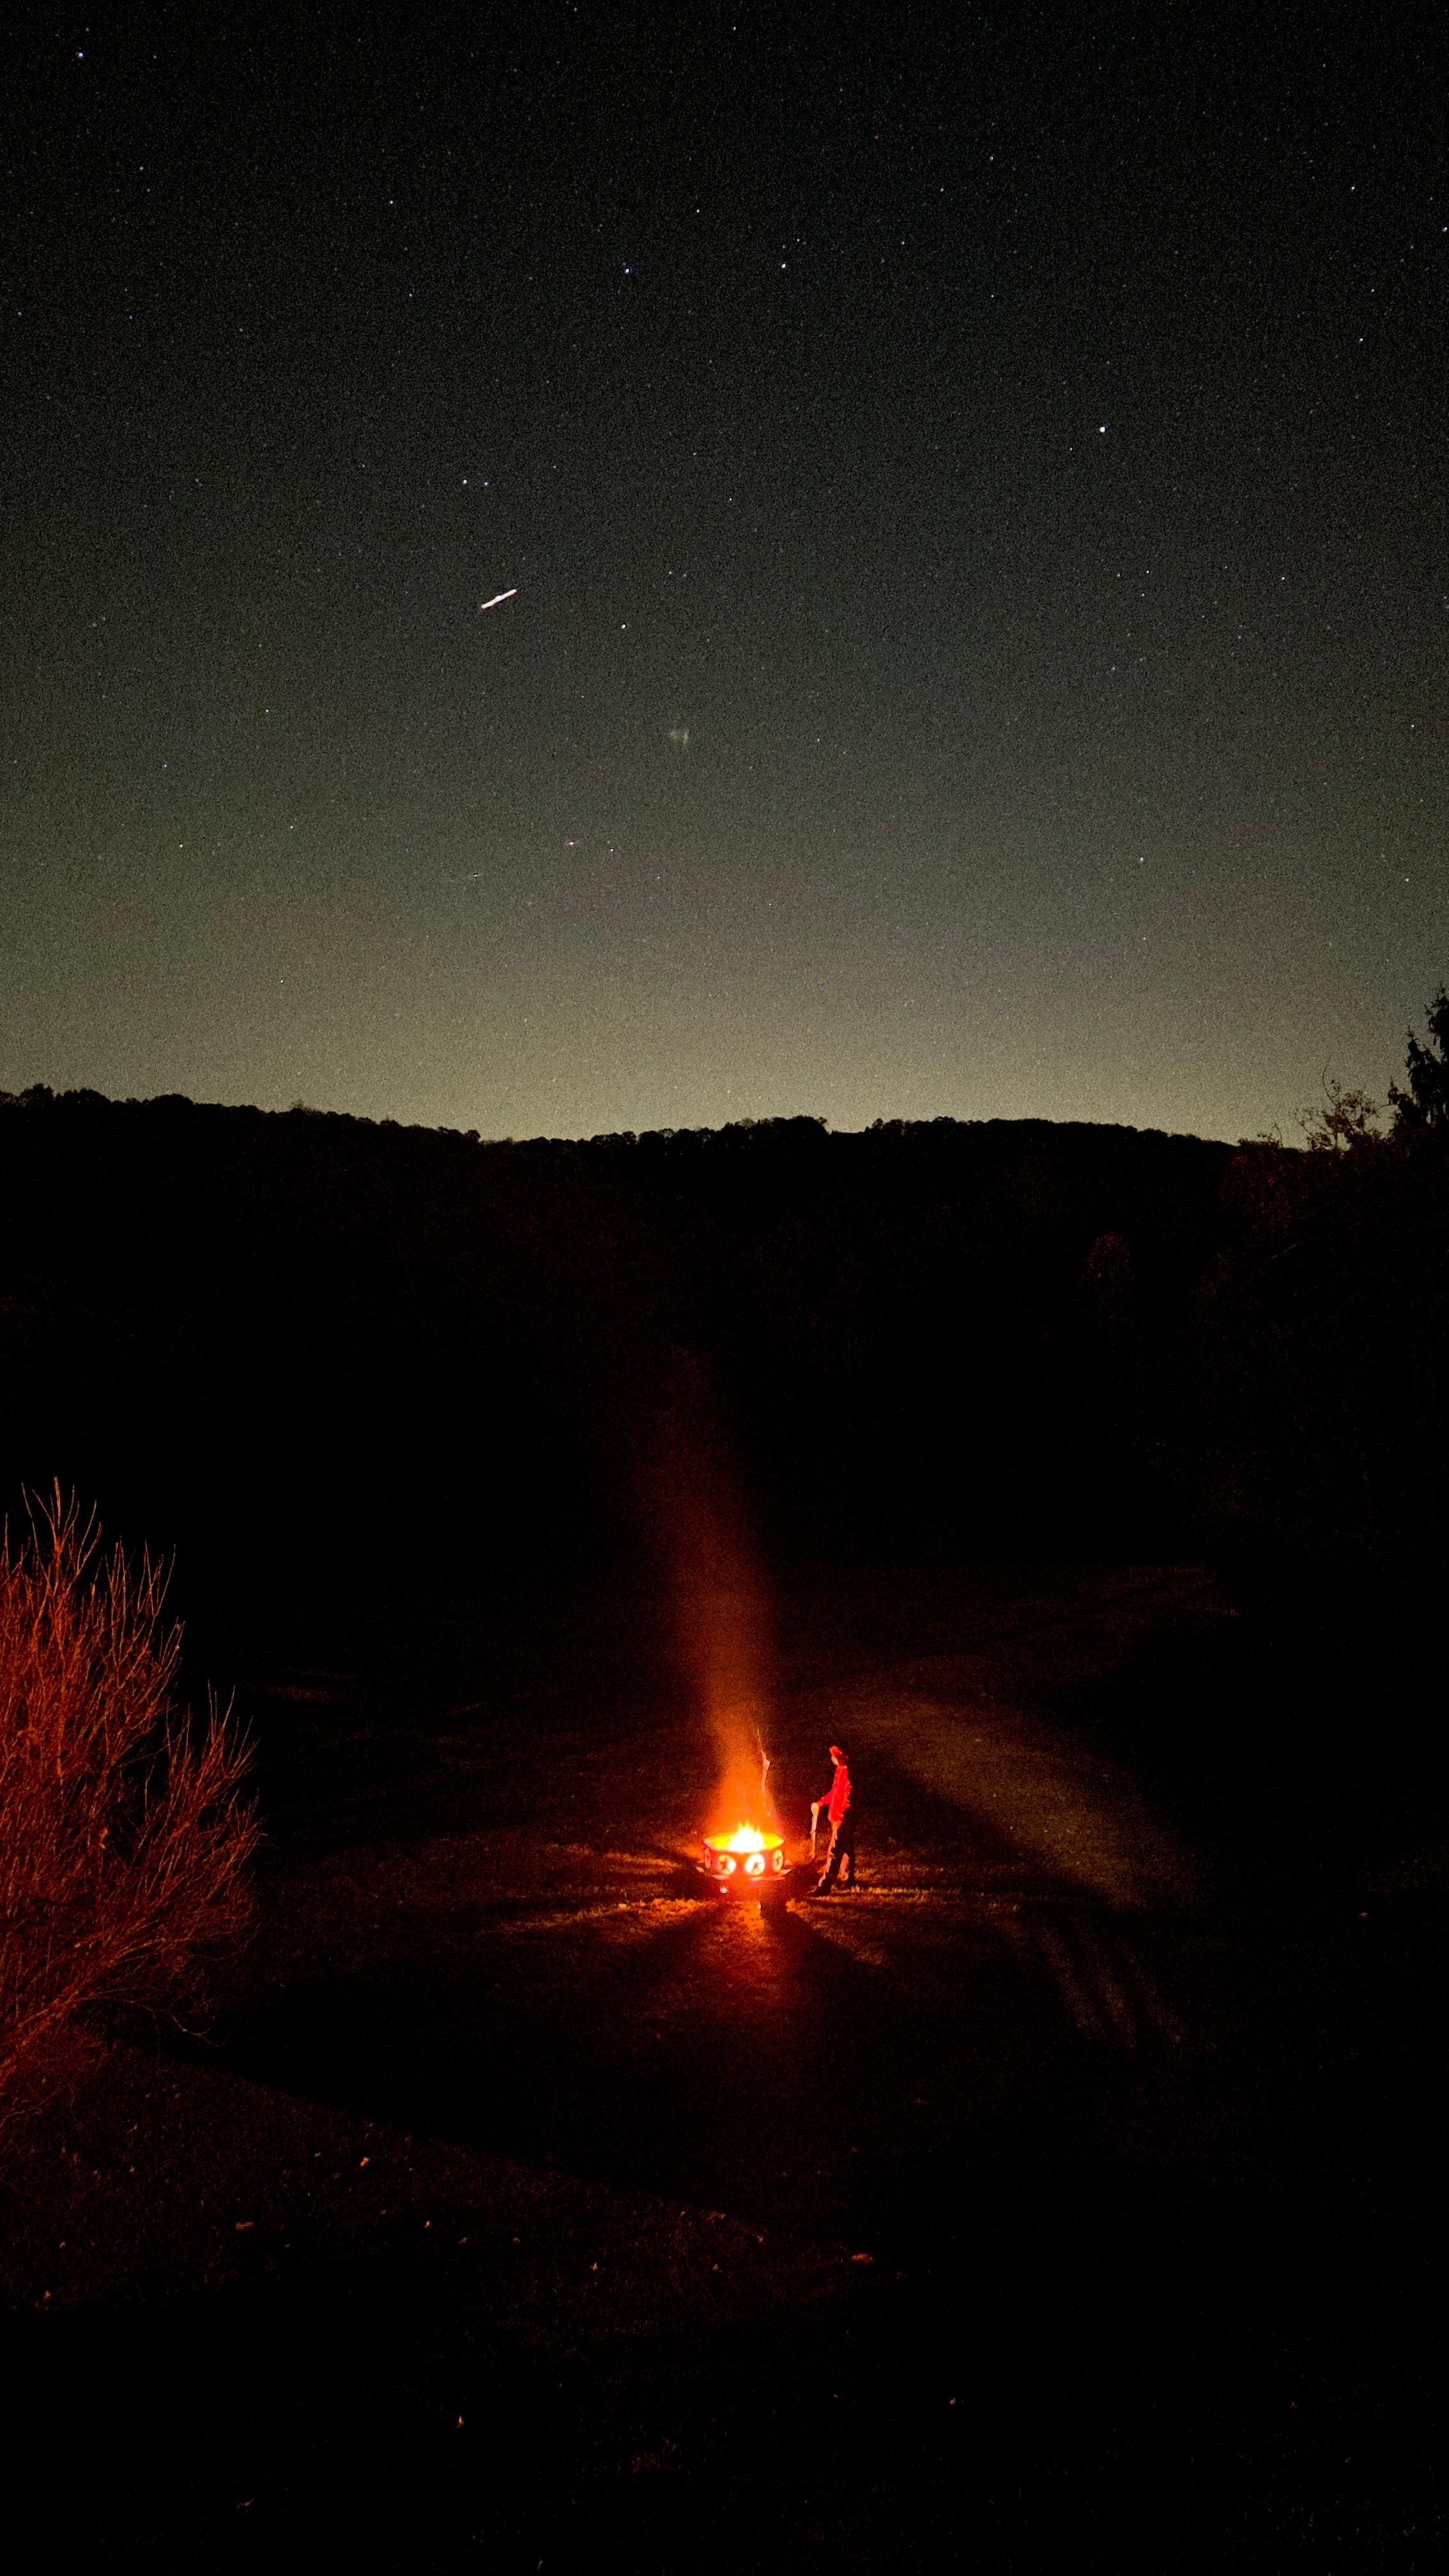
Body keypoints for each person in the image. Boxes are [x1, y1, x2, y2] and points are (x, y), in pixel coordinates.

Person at [811, 1743, 857, 1892]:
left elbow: (849, 1799)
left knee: (834, 1851)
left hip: (843, 1819)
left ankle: (825, 1886)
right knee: (847, 1848)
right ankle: (849, 1879)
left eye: (834, 1756)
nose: (832, 1759)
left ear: (841, 1758)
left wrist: (841, 1815)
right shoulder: (840, 1770)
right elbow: (834, 1793)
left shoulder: (849, 1773)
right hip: (838, 1817)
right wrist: (821, 1802)